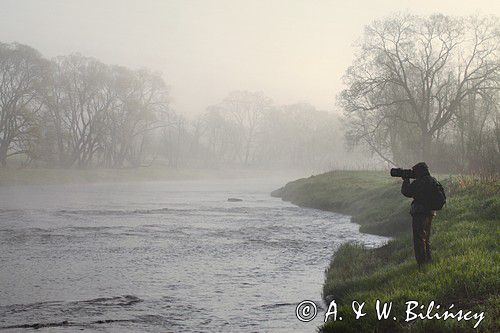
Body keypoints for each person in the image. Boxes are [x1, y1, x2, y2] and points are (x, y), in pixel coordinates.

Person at [401, 162, 436, 267]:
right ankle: (428, 260)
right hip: (430, 212)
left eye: (415, 171)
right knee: (426, 237)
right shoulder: (432, 180)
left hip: (420, 213)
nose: (414, 173)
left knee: (419, 238)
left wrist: (406, 180)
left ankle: (421, 263)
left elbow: (406, 192)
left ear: (419, 171)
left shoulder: (420, 182)